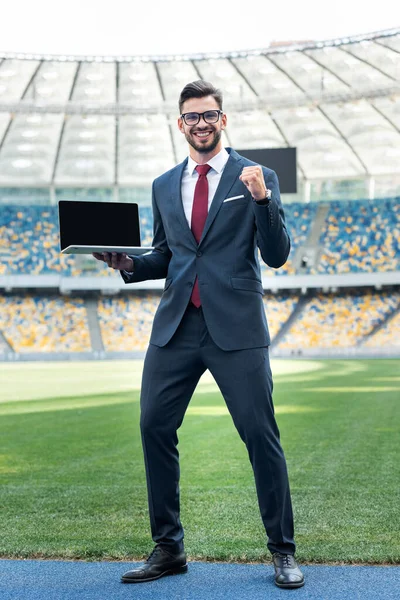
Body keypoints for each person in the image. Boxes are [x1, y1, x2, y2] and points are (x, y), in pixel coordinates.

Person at [93, 80, 304, 590]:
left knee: (260, 437)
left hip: (236, 328)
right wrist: (130, 265)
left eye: (210, 115)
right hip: (176, 327)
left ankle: (283, 551)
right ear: (181, 123)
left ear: (223, 119)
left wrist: (261, 200)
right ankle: (169, 548)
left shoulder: (258, 175)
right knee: (153, 427)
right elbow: (171, 255)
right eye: (192, 117)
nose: (202, 124)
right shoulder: (165, 184)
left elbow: (276, 253)